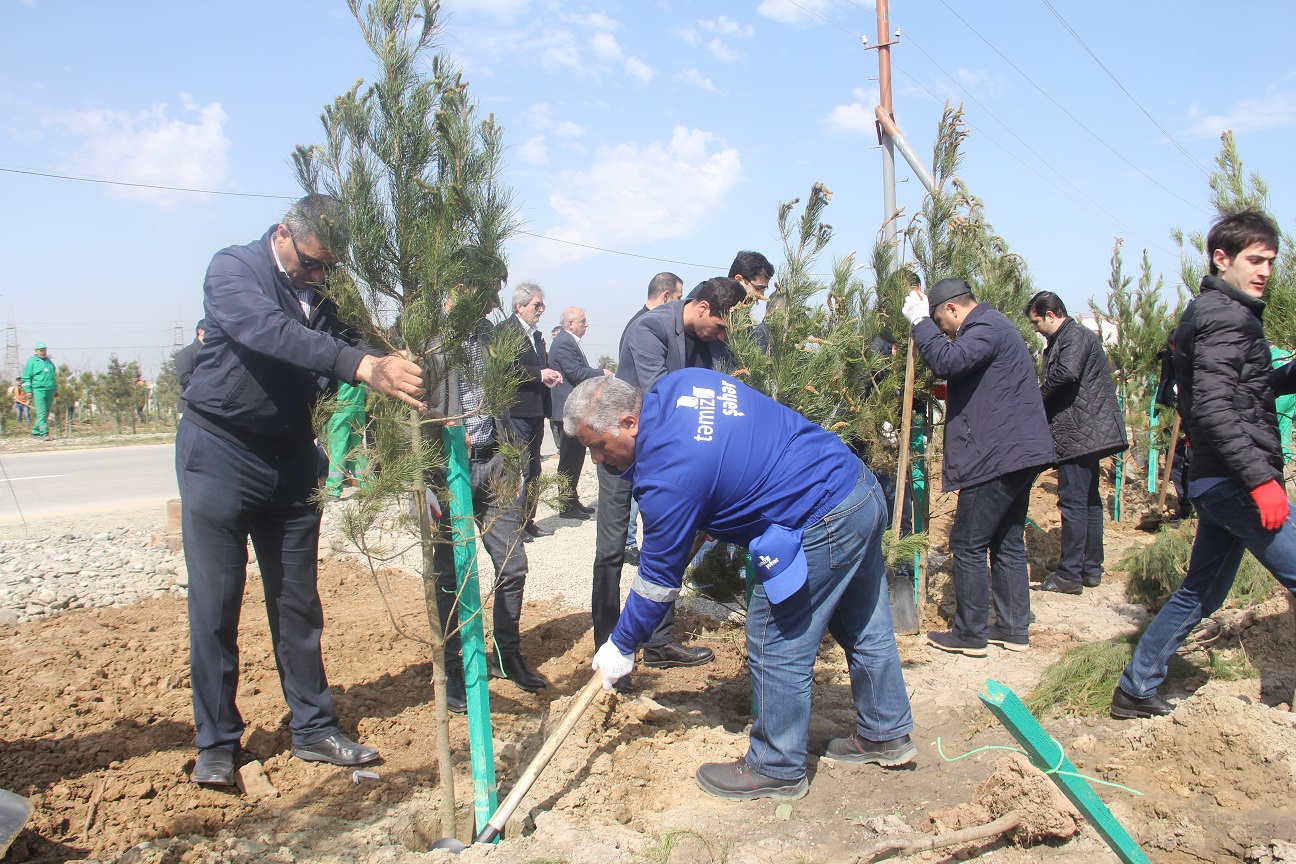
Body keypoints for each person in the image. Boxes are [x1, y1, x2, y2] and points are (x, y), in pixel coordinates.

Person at [569, 371, 915, 800]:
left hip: (820, 516)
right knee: (863, 623)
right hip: (854, 485)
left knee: (774, 637)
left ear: (629, 422)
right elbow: (729, 453)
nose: (596, 459)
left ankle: (776, 766)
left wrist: (622, 644)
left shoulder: (668, 476)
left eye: (598, 445)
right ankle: (885, 731)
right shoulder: (683, 383)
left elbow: (657, 580)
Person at [178, 194, 427, 787]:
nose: (319, 275)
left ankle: (313, 728)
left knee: (297, 601)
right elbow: (270, 332)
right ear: (283, 234)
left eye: (329, 266)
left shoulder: (328, 289)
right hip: (221, 450)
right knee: (216, 603)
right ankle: (217, 741)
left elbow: (368, 340)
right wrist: (361, 366)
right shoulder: (234, 268)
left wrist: (401, 351)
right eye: (312, 263)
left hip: (291, 458)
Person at [1113, 210, 1296, 720]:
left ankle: (1136, 688)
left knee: (1202, 593)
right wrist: (1260, 481)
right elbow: (1214, 408)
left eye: (1270, 261)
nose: (1264, 271)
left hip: (1218, 480)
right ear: (1221, 258)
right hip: (1238, 481)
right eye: (1254, 260)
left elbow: (1246, 389)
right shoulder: (1226, 315)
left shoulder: (1218, 311)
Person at [591, 276, 746, 680]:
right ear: (703, 307)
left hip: (666, 457)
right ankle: (609, 647)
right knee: (611, 551)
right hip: (621, 449)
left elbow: (730, 385)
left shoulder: (714, 340)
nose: (723, 337)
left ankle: (658, 642)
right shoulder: (651, 328)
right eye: (721, 327)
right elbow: (660, 394)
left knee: (667, 545)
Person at [903, 279, 1055, 656]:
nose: (943, 332)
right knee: (1006, 539)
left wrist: (919, 322)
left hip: (997, 456)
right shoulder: (994, 326)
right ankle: (1013, 628)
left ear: (952, 309)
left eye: (941, 323)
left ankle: (970, 633)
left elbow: (947, 361)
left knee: (967, 542)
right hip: (1016, 453)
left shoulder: (986, 326)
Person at [431, 303, 546, 705]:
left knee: (513, 566)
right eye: (488, 288)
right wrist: (427, 481)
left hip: (495, 463)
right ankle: (454, 669)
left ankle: (505, 655)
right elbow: (403, 407)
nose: (495, 300)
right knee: (453, 577)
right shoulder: (429, 336)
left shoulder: (488, 335)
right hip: (448, 470)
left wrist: (512, 459)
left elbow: (501, 403)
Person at [1025, 292, 1129, 594]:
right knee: (1089, 500)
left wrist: (1037, 400)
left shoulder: (1073, 337)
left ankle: (1070, 574)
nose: (1036, 329)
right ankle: (1090, 568)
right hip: (1088, 433)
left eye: (1036, 322)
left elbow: (1067, 373)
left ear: (1051, 315)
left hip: (1078, 433)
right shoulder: (1072, 337)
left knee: (1073, 502)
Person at [620, 272, 684, 565]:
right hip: (639, 425)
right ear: (666, 296)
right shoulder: (646, 326)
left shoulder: (640, 320)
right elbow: (652, 385)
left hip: (642, 424)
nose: (680, 306)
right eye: (679, 298)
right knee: (636, 494)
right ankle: (631, 544)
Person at [495, 282, 563, 540]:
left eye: (542, 305)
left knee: (534, 469)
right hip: (516, 412)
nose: (541, 310)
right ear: (519, 306)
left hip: (536, 411)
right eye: (537, 305)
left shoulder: (535, 335)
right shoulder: (505, 331)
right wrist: (540, 374)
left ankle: (527, 520)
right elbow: (505, 369)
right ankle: (513, 525)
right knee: (519, 470)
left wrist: (549, 377)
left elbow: (538, 368)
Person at [548, 306, 612, 518]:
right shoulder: (564, 342)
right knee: (569, 459)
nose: (587, 324)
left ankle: (572, 500)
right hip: (568, 410)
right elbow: (575, 373)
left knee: (575, 458)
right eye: (583, 321)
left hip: (575, 409)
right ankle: (566, 505)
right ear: (570, 324)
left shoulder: (568, 341)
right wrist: (602, 373)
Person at [323, 382, 368, 498]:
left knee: (337, 448)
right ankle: (368, 486)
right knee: (356, 449)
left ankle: (333, 489)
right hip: (358, 407)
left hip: (341, 408)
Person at [21, 342, 56, 438]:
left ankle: (35, 431)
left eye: (44, 350)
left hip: (50, 389)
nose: (43, 352)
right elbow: (26, 377)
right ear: (36, 351)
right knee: (42, 412)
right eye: (41, 350)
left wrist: (55, 389)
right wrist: (28, 390)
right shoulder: (32, 362)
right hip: (39, 390)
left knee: (46, 412)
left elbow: (53, 376)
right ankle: (44, 433)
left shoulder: (49, 362)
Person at [173, 319, 206, 417]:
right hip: (189, 408)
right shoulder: (186, 353)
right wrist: (208, 382)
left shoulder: (213, 352)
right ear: (201, 332)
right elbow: (183, 378)